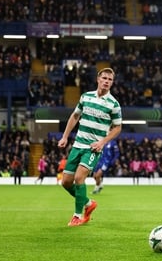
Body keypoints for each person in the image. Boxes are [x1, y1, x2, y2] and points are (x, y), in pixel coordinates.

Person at [58, 67, 122, 227]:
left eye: (110, 79)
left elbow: (117, 127)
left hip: (93, 148)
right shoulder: (86, 97)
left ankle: (77, 215)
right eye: (104, 78)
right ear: (98, 79)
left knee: (79, 178)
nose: (107, 81)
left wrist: (102, 142)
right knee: (66, 182)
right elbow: (75, 116)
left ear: (112, 83)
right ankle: (88, 203)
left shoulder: (113, 104)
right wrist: (65, 136)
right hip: (77, 145)